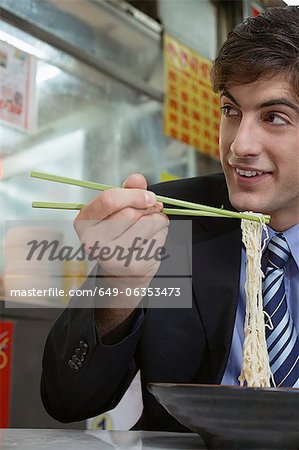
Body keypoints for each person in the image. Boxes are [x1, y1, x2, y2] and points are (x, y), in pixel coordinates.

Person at [41, 6, 299, 431]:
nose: (239, 145)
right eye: (231, 111)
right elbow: (66, 399)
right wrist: (119, 286)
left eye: (274, 117)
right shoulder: (170, 222)